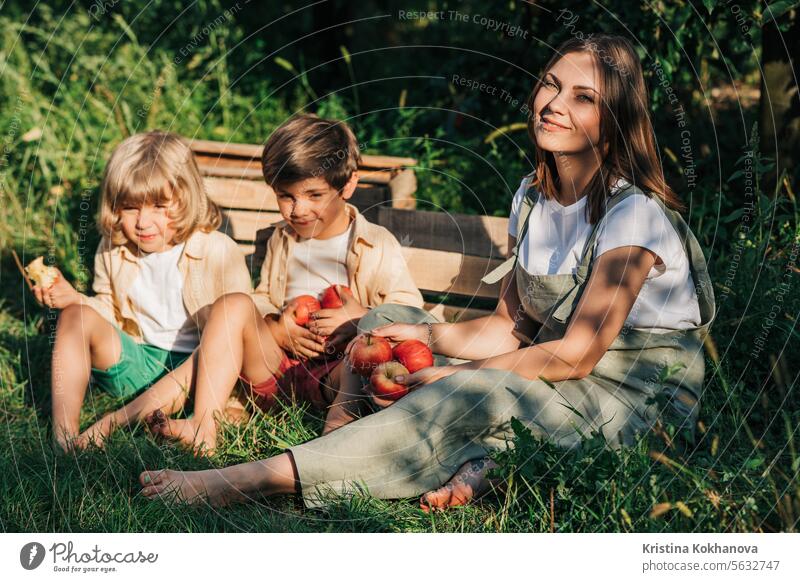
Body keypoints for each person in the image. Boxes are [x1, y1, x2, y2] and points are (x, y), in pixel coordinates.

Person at [137, 34, 716, 512]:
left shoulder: (632, 214)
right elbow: (506, 326)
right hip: (553, 371)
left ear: (613, 123)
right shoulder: (534, 199)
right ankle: (410, 450)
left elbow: (579, 355)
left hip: (634, 398)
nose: (554, 103)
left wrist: (456, 374)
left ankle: (254, 479)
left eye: (583, 97)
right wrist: (414, 333)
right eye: (551, 84)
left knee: (468, 390)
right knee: (388, 317)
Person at [95, 114, 423, 454]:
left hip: (336, 375)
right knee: (233, 304)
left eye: (314, 195)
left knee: (356, 360)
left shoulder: (375, 244)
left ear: (348, 185)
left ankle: (329, 450)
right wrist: (278, 324)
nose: (299, 209)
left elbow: (410, 313)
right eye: (286, 196)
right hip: (277, 370)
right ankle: (203, 424)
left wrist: (360, 319)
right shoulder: (282, 239)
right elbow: (265, 297)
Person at [36, 131, 253, 452]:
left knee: (212, 354)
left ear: (186, 198)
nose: (143, 221)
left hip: (200, 371)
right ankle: (64, 437)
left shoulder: (217, 251)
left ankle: (118, 422)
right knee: (75, 316)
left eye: (159, 206)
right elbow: (110, 309)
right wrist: (75, 301)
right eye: (130, 207)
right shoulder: (114, 249)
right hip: (137, 361)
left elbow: (236, 331)